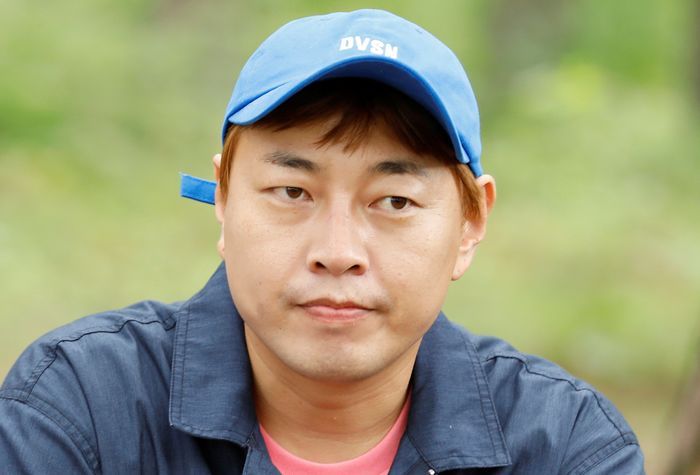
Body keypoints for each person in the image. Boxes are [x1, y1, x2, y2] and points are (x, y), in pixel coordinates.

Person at [0, 9, 644, 474]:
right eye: (293, 191)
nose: (337, 253)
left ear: (470, 224)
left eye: (394, 201)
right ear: (223, 198)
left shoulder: (564, 446)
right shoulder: (82, 409)